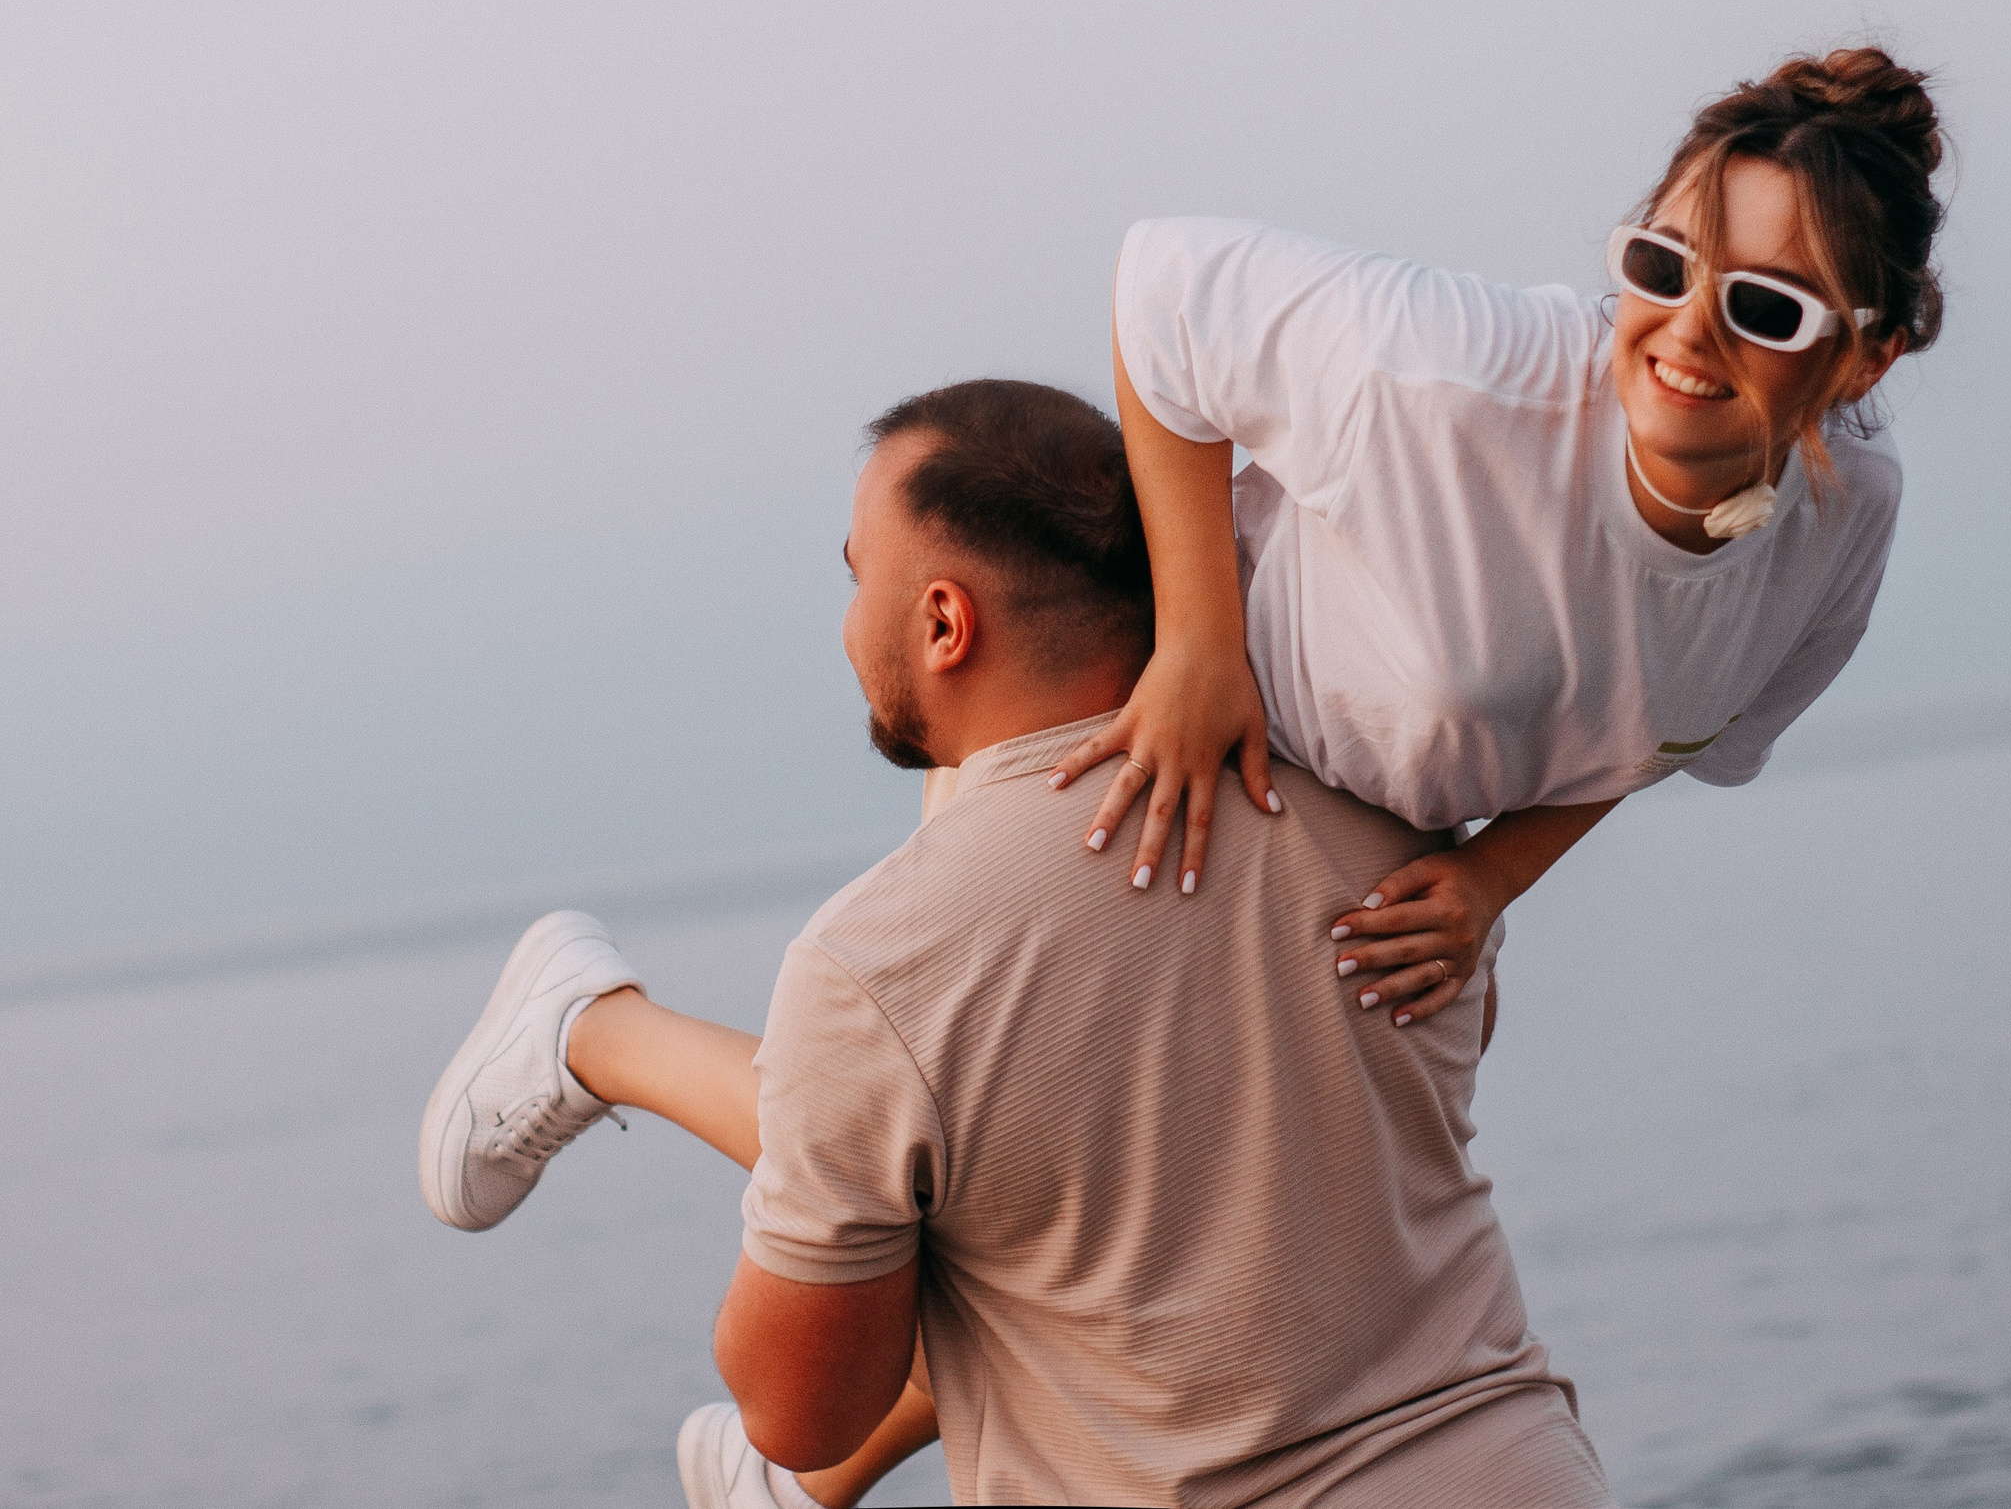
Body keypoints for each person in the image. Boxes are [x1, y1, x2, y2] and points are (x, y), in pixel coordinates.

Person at [418, 381, 1612, 1508]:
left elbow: (797, 1409)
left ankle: (597, 1030)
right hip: (1515, 1470)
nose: (842, 629)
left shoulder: (876, 963)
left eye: (855, 581)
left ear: (943, 619)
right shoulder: (1384, 803)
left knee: (930, 1188)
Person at [1049, 46, 1946, 1025]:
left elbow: (1663, 730)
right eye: (1665, 265)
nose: (1688, 330)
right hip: (1140, 752)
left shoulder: (1845, 514)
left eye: (1765, 308)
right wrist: (1194, 647)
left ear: (1867, 357)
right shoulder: (1456, 376)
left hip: (1369, 862)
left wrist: (1491, 875)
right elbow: (1164, 288)